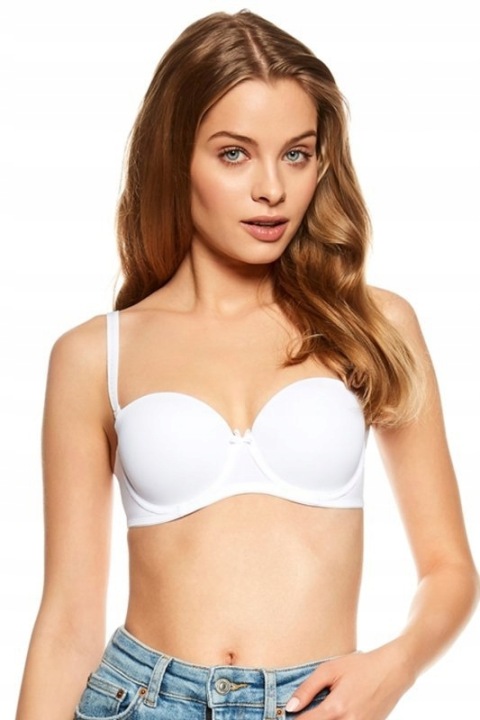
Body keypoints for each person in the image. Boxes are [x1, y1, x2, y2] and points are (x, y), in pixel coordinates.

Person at [15, 9, 478, 720]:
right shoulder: (93, 355)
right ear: (176, 158)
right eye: (234, 154)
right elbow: (68, 621)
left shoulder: (372, 325)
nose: (272, 189)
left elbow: (449, 569)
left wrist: (395, 666)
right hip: (141, 700)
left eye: (296, 154)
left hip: (318, 702)